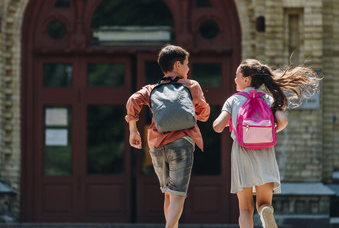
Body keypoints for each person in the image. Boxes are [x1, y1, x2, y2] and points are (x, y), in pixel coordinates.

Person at [213, 59, 320, 228]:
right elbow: (283, 120)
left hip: (242, 154)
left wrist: (231, 124)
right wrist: (266, 133)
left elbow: (218, 126)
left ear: (246, 79)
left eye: (237, 76)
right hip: (265, 153)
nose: (234, 80)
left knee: (245, 210)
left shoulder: (233, 100)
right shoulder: (268, 98)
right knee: (264, 203)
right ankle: (265, 212)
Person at [125, 44, 210, 228]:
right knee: (178, 194)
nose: (188, 68)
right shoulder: (191, 85)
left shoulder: (151, 88)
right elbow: (204, 115)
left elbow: (133, 100)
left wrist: (133, 130)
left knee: (168, 193)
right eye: (187, 64)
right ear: (178, 65)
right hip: (182, 143)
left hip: (156, 145)